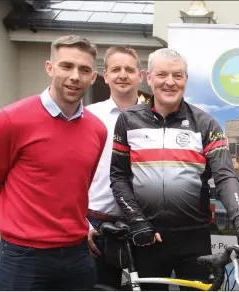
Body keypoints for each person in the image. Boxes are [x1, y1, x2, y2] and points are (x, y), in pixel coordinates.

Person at [109, 48, 239, 291]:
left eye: (177, 76)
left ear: (186, 80)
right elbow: (118, 177)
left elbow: (224, 178)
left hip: (194, 237)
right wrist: (136, 220)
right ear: (149, 78)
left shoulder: (204, 123)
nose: (170, 82)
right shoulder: (128, 120)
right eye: (162, 75)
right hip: (147, 236)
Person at [0, 35, 107, 290]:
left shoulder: (97, 130)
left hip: (77, 255)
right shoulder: (8, 121)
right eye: (66, 66)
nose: (75, 76)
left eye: (84, 69)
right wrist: (19, 226)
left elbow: (77, 187)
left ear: (93, 77)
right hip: (24, 258)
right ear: (49, 67)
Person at [85, 45, 145, 288]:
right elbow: (70, 174)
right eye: (116, 69)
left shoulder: (155, 118)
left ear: (141, 76)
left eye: (130, 69)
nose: (123, 75)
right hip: (97, 227)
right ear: (105, 75)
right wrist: (81, 222)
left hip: (144, 226)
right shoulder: (87, 117)